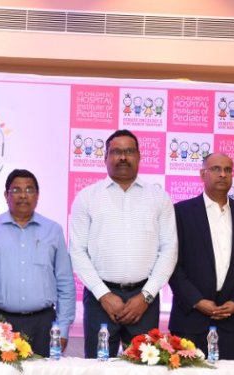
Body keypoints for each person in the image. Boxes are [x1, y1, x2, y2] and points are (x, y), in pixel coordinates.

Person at [69, 129, 178, 358]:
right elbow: (77, 251)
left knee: (144, 371)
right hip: (100, 299)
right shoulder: (87, 197)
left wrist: (146, 296)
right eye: (116, 152)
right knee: (97, 370)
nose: (123, 157)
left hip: (144, 299)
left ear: (139, 157)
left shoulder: (158, 197)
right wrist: (103, 295)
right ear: (105, 157)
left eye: (129, 151)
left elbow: (169, 249)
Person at [0, 169, 75, 356]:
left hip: (43, 324)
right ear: (6, 195)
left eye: (29, 190)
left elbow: (65, 282)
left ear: (37, 195)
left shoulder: (53, 230)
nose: (23, 196)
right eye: (16, 190)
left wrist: (63, 327)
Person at [168, 153, 234, 360]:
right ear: (203, 174)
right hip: (190, 319)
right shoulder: (181, 212)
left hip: (232, 320)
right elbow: (172, 264)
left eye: (228, 170)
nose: (223, 174)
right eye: (216, 169)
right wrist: (197, 301)